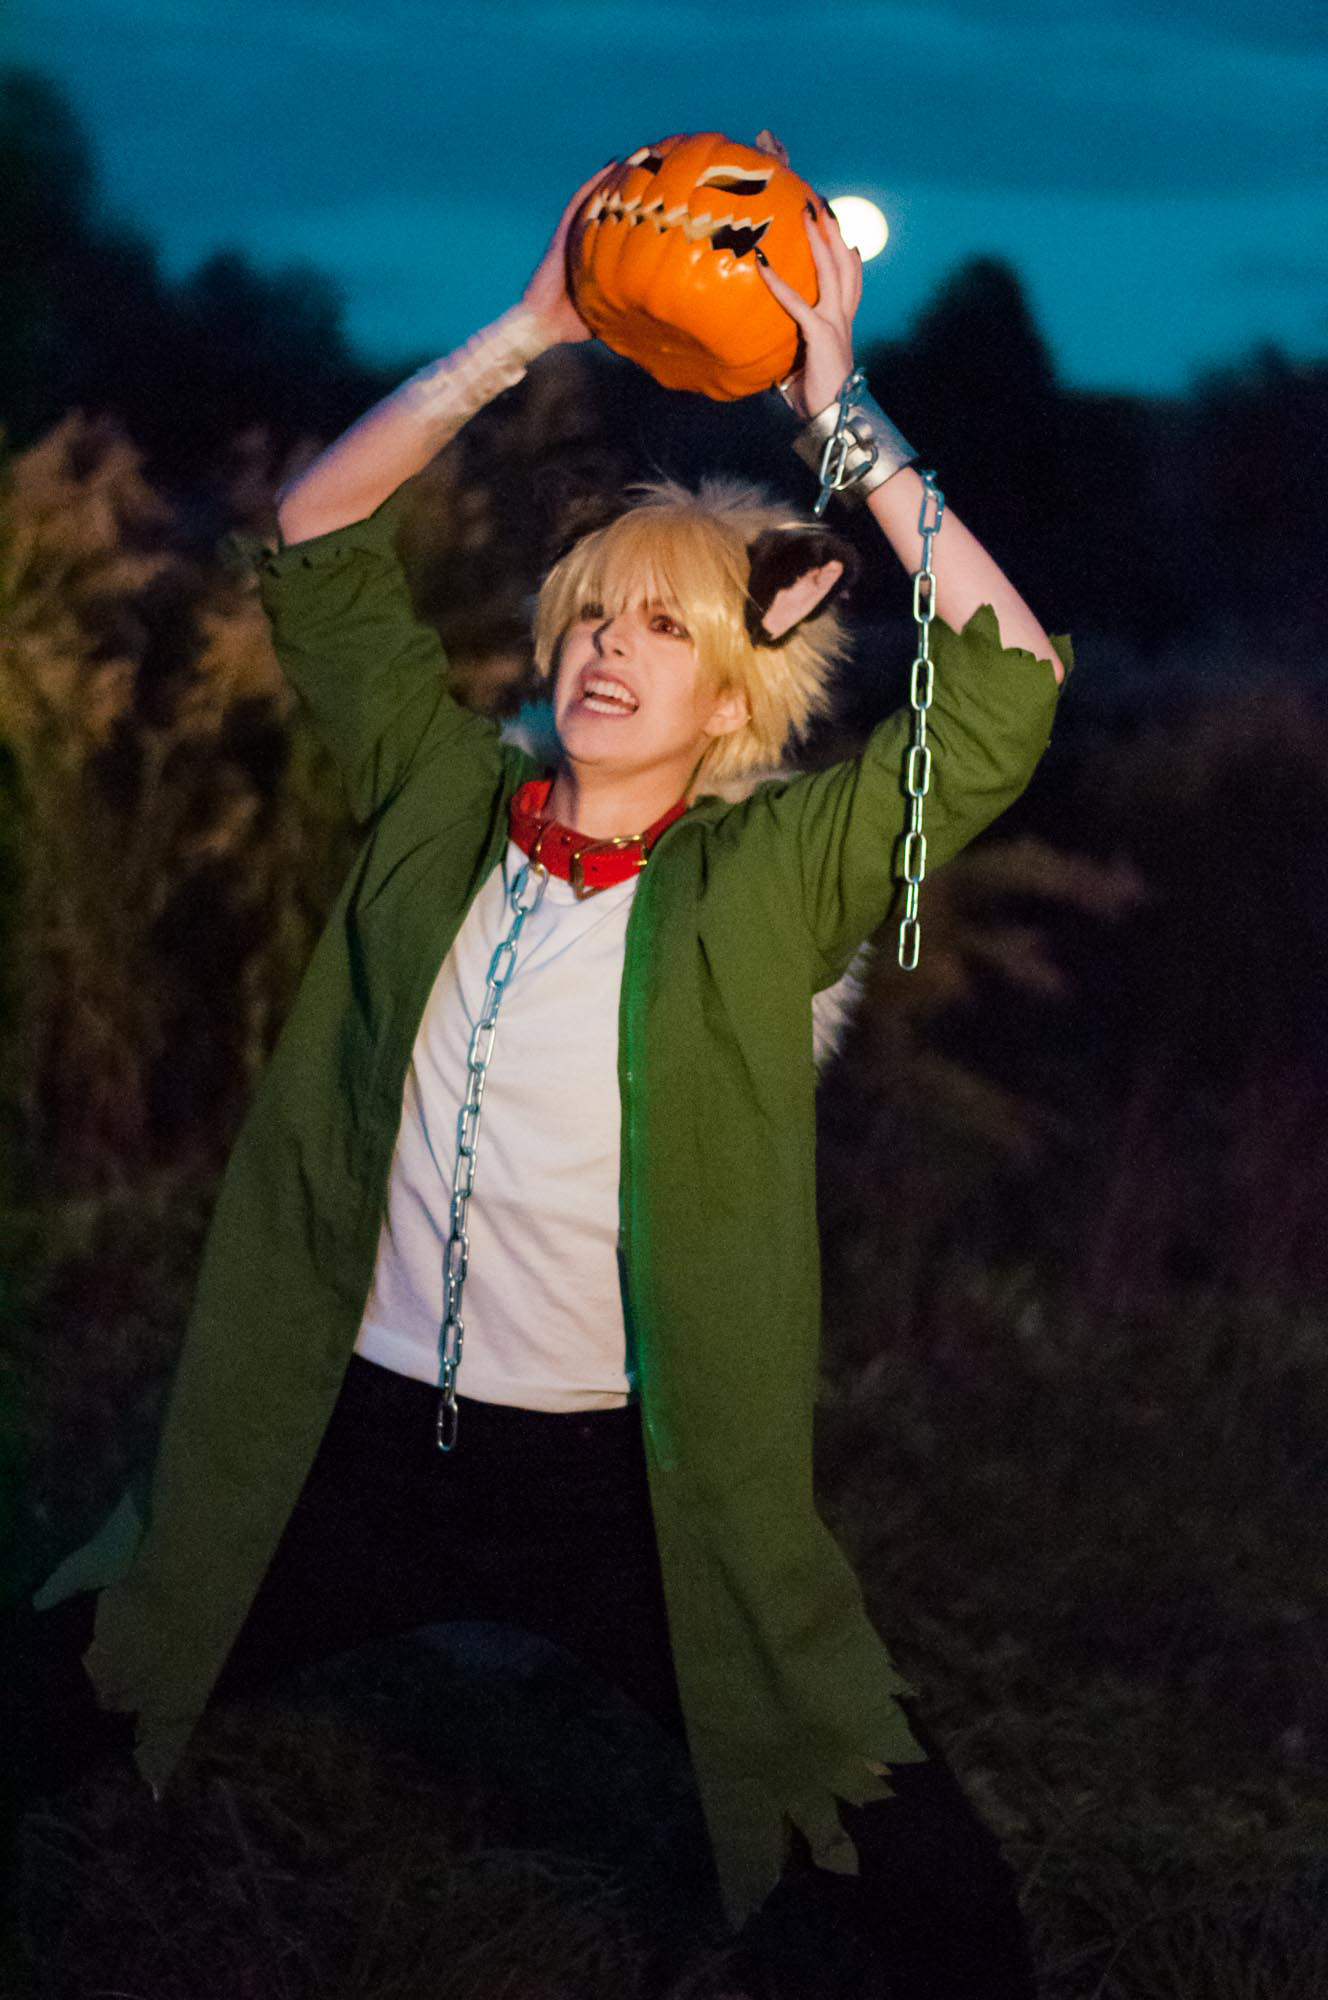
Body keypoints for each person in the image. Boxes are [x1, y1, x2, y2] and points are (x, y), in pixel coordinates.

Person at [22, 157, 1071, 1997]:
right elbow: (316, 538)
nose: (608, 649)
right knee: (65, 1679)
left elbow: (1010, 686)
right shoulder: (442, 804)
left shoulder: (767, 881)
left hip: (625, 1479)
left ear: (735, 695)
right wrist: (523, 334)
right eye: (593, 614)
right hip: (351, 1439)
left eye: (666, 628)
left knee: (924, 1898)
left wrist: (836, 411)